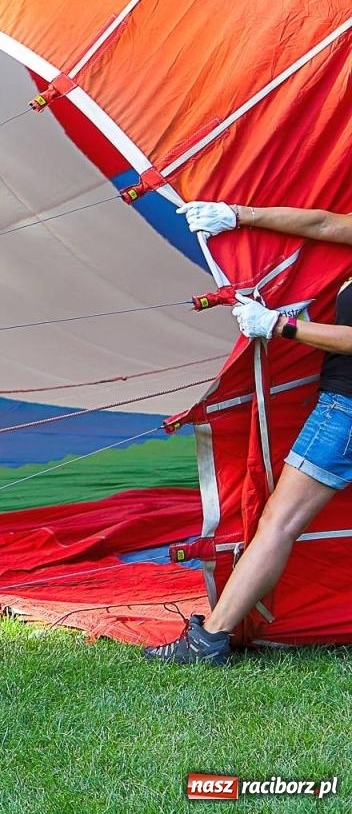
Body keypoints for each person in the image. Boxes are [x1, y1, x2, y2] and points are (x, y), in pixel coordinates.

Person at [147, 198, 352, 665]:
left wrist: (280, 326)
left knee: (279, 524)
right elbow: (324, 222)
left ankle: (209, 641)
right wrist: (238, 215)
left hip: (346, 411)